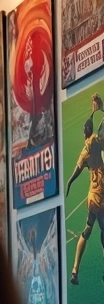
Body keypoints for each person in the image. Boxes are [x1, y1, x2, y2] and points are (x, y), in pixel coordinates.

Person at [66, 93, 104, 285]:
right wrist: (101, 109)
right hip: (102, 198)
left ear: (84, 132)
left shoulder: (85, 150)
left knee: (87, 231)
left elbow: (77, 170)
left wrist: (69, 182)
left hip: (93, 199)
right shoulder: (96, 140)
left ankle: (74, 270)